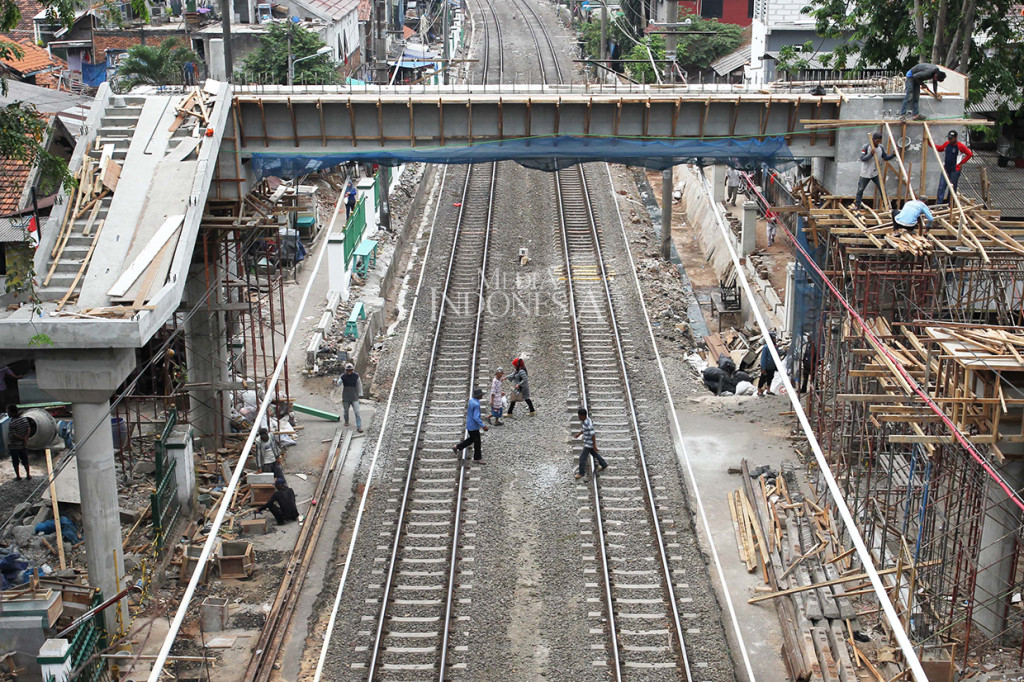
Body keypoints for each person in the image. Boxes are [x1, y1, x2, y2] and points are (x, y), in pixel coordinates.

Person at [855, 133, 897, 210]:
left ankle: (885, 204)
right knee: (860, 189)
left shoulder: (881, 147)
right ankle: (857, 205)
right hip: (866, 172)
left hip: (875, 172)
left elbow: (885, 157)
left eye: (879, 141)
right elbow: (863, 158)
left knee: (882, 188)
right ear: (873, 139)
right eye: (877, 141)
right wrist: (870, 154)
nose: (878, 143)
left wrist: (893, 155)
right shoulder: (866, 147)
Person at [934, 130, 973, 204]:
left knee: (952, 188)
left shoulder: (960, 146)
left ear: (955, 138)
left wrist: (961, 163)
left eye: (951, 138)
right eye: (948, 138)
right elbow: (940, 148)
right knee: (941, 186)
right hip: (946, 169)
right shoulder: (946, 144)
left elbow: (969, 154)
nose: (949, 140)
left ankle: (950, 205)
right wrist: (931, 143)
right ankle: (939, 204)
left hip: (955, 170)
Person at [453, 388, 488, 464]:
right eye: (481, 395)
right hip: (474, 427)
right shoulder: (476, 404)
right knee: (477, 442)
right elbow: (476, 417)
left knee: (471, 440)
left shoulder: (471, 400)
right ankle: (477, 458)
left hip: (469, 424)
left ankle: (457, 447)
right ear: (479, 396)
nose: (482, 396)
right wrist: (483, 426)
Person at [574, 407, 607, 479]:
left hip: (589, 444)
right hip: (588, 442)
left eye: (579, 416)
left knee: (582, 458)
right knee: (594, 454)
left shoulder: (587, 423)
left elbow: (593, 434)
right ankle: (604, 464)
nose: (578, 417)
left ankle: (581, 473)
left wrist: (594, 445)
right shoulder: (585, 421)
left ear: (583, 416)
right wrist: (579, 434)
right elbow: (584, 429)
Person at [337, 363, 363, 433]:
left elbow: (359, 385)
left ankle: (359, 426)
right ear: (345, 370)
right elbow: (338, 383)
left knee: (357, 412)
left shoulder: (356, 376)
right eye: (348, 370)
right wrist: (336, 382)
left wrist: (360, 394)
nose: (349, 372)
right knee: (346, 411)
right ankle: (346, 421)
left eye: (350, 370)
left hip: (354, 397)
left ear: (353, 370)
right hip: (346, 397)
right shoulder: (343, 376)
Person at [5, 405, 30, 480]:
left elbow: (13, 435)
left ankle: (18, 476)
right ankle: (28, 475)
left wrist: (22, 439)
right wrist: (25, 438)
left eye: (8, 412)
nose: (8, 414)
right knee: (25, 460)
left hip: (14, 446)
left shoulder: (12, 423)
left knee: (15, 461)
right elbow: (28, 428)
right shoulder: (24, 419)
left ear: (12, 413)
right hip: (23, 445)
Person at [758, 331, 780, 397]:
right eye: (773, 338)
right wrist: (763, 368)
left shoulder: (775, 346)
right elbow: (763, 358)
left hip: (772, 366)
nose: (774, 339)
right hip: (766, 366)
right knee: (763, 378)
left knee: (770, 378)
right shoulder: (766, 347)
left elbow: (777, 354)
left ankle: (768, 390)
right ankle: (759, 390)